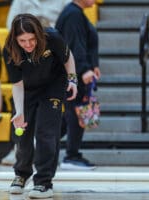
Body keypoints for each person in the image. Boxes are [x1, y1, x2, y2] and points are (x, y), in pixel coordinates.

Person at [3, 14, 77, 199]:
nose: (28, 44)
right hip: (26, 89)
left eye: (32, 39)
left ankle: (44, 182)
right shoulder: (9, 49)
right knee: (22, 133)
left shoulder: (52, 37)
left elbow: (68, 58)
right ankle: (21, 174)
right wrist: (19, 112)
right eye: (23, 40)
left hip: (53, 86)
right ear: (15, 39)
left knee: (46, 133)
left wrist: (73, 80)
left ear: (38, 34)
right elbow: (17, 84)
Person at [55, 0, 101, 170]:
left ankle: (39, 142)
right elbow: (73, 46)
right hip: (73, 74)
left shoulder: (75, 13)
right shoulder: (73, 15)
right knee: (75, 113)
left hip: (74, 73)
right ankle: (71, 157)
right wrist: (83, 70)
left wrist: (93, 65)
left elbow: (85, 42)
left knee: (70, 116)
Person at [6, 0, 72, 29]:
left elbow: (69, 25)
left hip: (57, 40)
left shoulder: (66, 1)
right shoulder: (19, 1)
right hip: (27, 41)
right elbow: (11, 24)